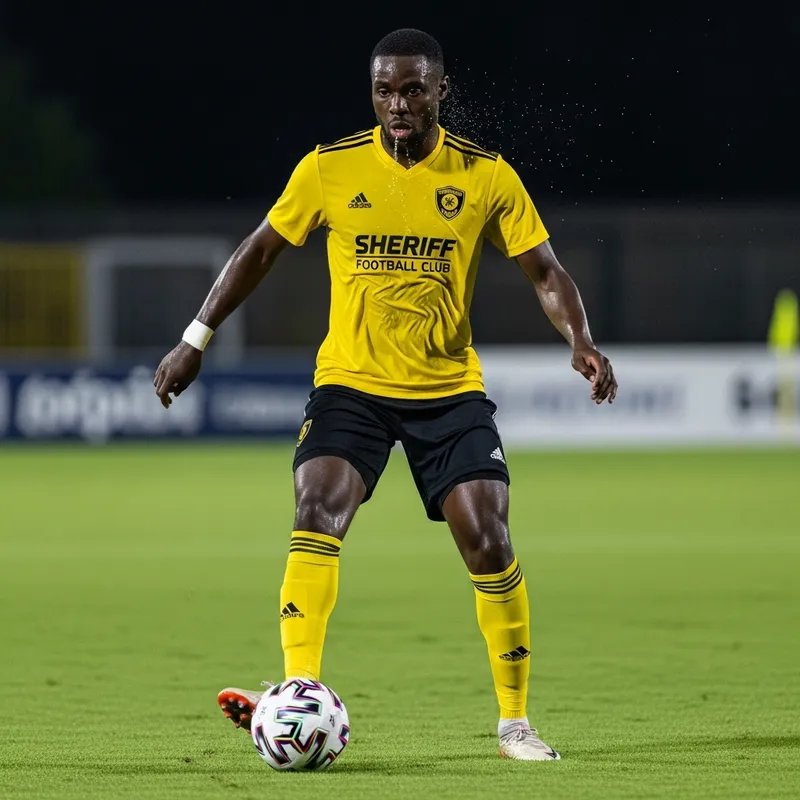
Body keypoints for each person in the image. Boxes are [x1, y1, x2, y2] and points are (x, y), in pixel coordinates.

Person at [154, 27, 617, 761]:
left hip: (447, 389)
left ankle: (515, 724)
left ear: (440, 91)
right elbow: (261, 248)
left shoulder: (486, 175)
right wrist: (195, 338)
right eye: (382, 89)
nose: (395, 103)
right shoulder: (330, 168)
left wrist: (580, 341)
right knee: (317, 508)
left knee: (489, 540)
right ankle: (298, 689)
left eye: (410, 89)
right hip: (351, 385)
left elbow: (545, 271)